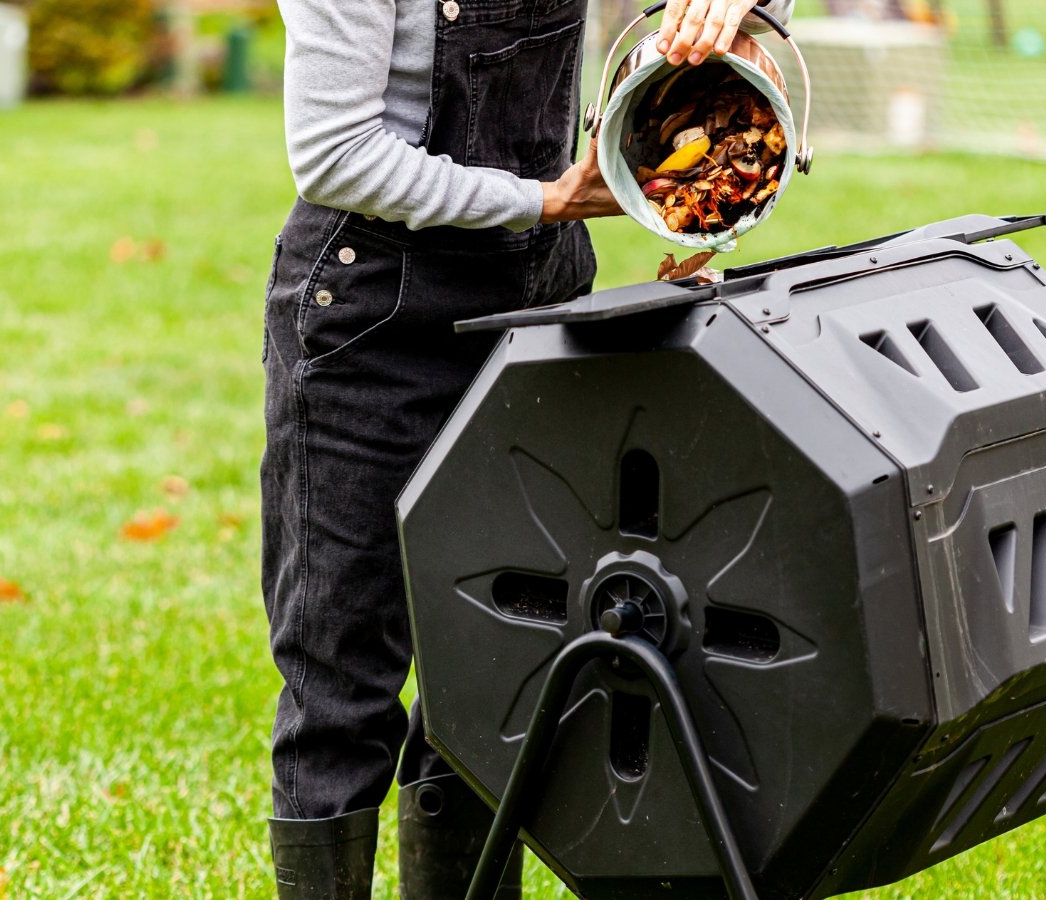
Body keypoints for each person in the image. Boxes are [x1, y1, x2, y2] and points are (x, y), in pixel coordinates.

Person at [261, 0, 793, 895]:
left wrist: (742, 13)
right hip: (374, 325)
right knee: (338, 684)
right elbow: (332, 152)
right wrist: (549, 199)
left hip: (536, 297)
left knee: (499, 672)